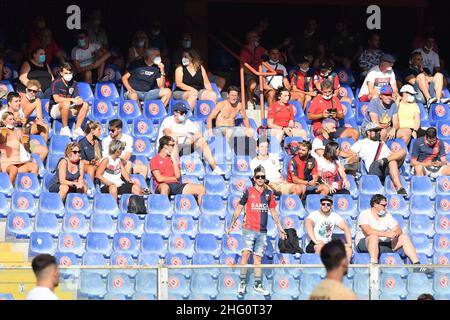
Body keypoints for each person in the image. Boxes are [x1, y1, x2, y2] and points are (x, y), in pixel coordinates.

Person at [226, 165, 287, 296]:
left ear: (265, 179)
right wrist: (232, 224)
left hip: (262, 232)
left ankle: (257, 285)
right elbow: (238, 209)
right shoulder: (248, 192)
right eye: (258, 177)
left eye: (263, 177)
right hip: (248, 229)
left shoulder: (268, 194)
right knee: (245, 255)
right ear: (254, 178)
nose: (260, 179)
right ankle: (242, 283)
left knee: (258, 259)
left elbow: (274, 212)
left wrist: (279, 227)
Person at [355, 194, 432, 273]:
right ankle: (374, 265)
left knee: (403, 237)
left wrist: (395, 233)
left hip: (382, 244)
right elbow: (368, 231)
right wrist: (387, 234)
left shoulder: (387, 215)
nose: (385, 207)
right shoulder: (364, 214)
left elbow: (398, 228)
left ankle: (417, 265)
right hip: (365, 243)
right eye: (383, 205)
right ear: (375, 204)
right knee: (373, 237)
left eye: (386, 205)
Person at [157, 103, 225, 175]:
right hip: (166, 148)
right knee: (174, 138)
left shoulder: (187, 121)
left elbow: (198, 134)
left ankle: (215, 168)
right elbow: (168, 134)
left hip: (182, 148)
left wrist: (193, 138)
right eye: (182, 113)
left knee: (201, 140)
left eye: (185, 113)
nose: (184, 115)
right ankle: (177, 169)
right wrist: (185, 135)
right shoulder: (168, 120)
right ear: (175, 113)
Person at [347, 123, 408, 197]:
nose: (378, 133)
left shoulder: (382, 143)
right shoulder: (362, 143)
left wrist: (392, 156)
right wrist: (356, 158)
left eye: (379, 131)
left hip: (386, 164)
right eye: (375, 131)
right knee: (389, 161)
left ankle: (400, 189)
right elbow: (349, 153)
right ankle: (384, 161)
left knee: (401, 153)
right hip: (374, 167)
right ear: (368, 132)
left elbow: (391, 154)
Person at [150, 136, 205, 204]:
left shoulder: (174, 158)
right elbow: (159, 179)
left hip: (175, 185)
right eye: (172, 145)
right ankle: (163, 210)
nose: (174, 147)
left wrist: (174, 161)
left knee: (201, 189)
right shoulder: (154, 159)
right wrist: (173, 178)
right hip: (162, 185)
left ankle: (202, 212)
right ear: (165, 146)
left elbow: (178, 176)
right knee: (165, 187)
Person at [0, 91, 48, 162]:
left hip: (23, 143)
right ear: (9, 103)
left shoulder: (20, 112)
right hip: (9, 145)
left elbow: (23, 132)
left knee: (44, 150)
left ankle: (35, 169)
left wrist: (24, 126)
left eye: (19, 101)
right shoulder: (2, 114)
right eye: (16, 101)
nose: (19, 103)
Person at [49, 63, 89, 138]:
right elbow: (56, 99)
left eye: (70, 73)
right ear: (61, 73)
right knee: (66, 103)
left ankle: (77, 129)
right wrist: (72, 99)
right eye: (66, 73)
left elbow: (77, 97)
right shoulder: (56, 83)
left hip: (68, 109)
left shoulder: (74, 83)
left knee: (85, 104)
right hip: (55, 110)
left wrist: (79, 100)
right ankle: (64, 128)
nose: (68, 75)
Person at [0, 111, 38, 184]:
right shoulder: (3, 131)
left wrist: (26, 140)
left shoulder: (18, 131)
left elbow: (27, 148)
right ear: (4, 121)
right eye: (10, 119)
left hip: (18, 163)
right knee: (13, 169)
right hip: (6, 164)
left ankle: (30, 188)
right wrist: (3, 127)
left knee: (34, 166)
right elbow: (2, 138)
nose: (12, 121)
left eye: (13, 119)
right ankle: (9, 190)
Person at [239, 31, 268, 106]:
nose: (257, 39)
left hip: (260, 73)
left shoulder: (259, 48)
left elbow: (269, 54)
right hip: (250, 74)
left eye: (257, 37)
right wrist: (255, 75)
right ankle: (250, 100)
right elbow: (244, 68)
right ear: (249, 39)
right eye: (255, 37)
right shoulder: (244, 51)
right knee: (253, 84)